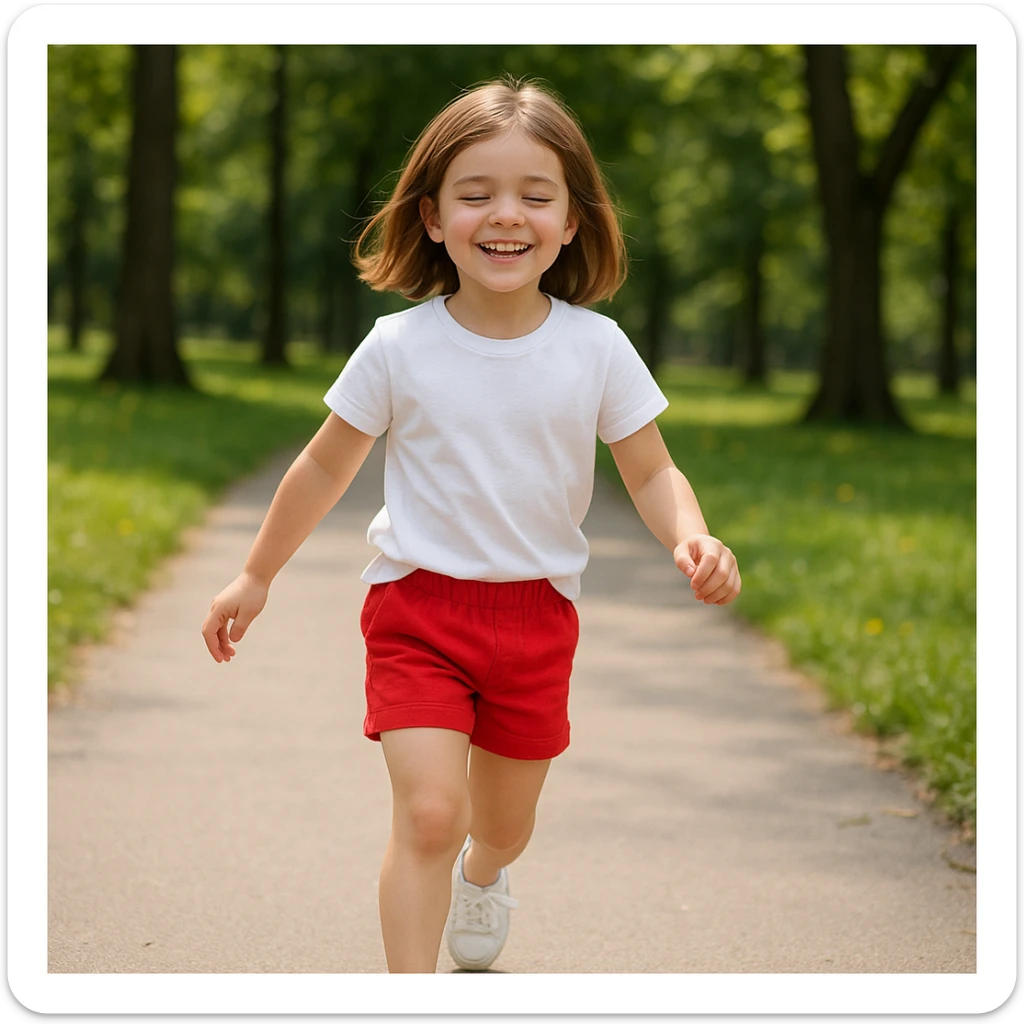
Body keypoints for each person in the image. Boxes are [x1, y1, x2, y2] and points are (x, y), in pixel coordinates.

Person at [201, 76, 741, 974]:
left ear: (572, 221)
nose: (507, 215)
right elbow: (325, 463)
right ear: (431, 216)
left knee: (500, 826)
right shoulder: (399, 346)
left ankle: (483, 877)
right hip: (416, 611)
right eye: (477, 193)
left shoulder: (595, 348)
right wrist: (257, 574)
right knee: (427, 815)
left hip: (536, 620)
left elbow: (650, 468)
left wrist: (691, 532)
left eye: (536, 195)